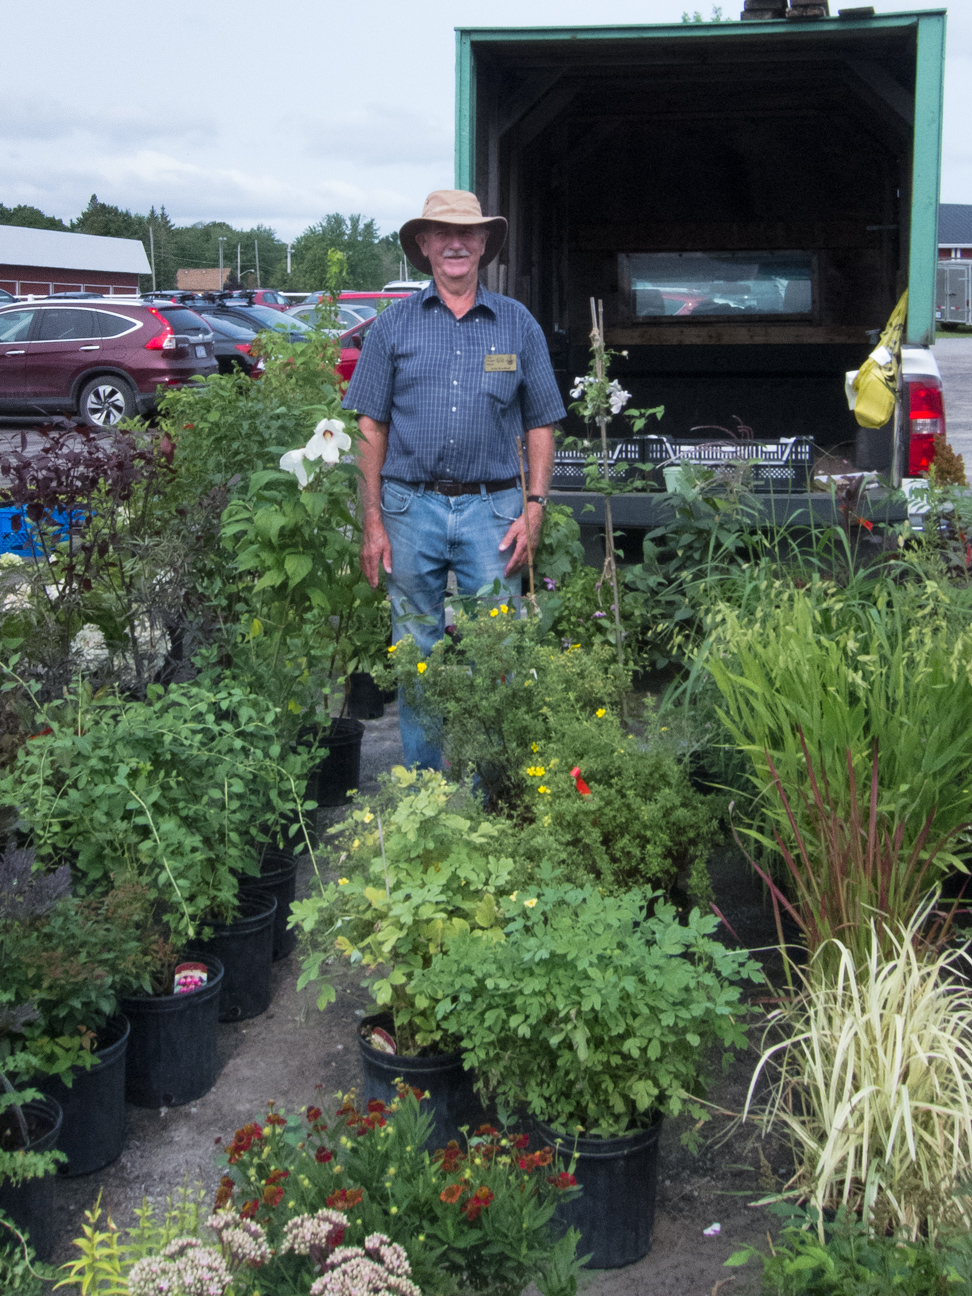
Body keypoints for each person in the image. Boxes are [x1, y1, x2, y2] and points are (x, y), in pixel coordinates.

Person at [342, 189, 566, 769]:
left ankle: (490, 788)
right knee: (416, 649)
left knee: (497, 653)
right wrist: (371, 521)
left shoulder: (518, 325)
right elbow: (370, 428)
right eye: (442, 233)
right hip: (408, 509)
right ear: (424, 245)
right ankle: (425, 786)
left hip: (494, 512)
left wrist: (534, 508)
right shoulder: (392, 327)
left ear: (485, 244)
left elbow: (542, 421)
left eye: (468, 233)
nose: (456, 243)